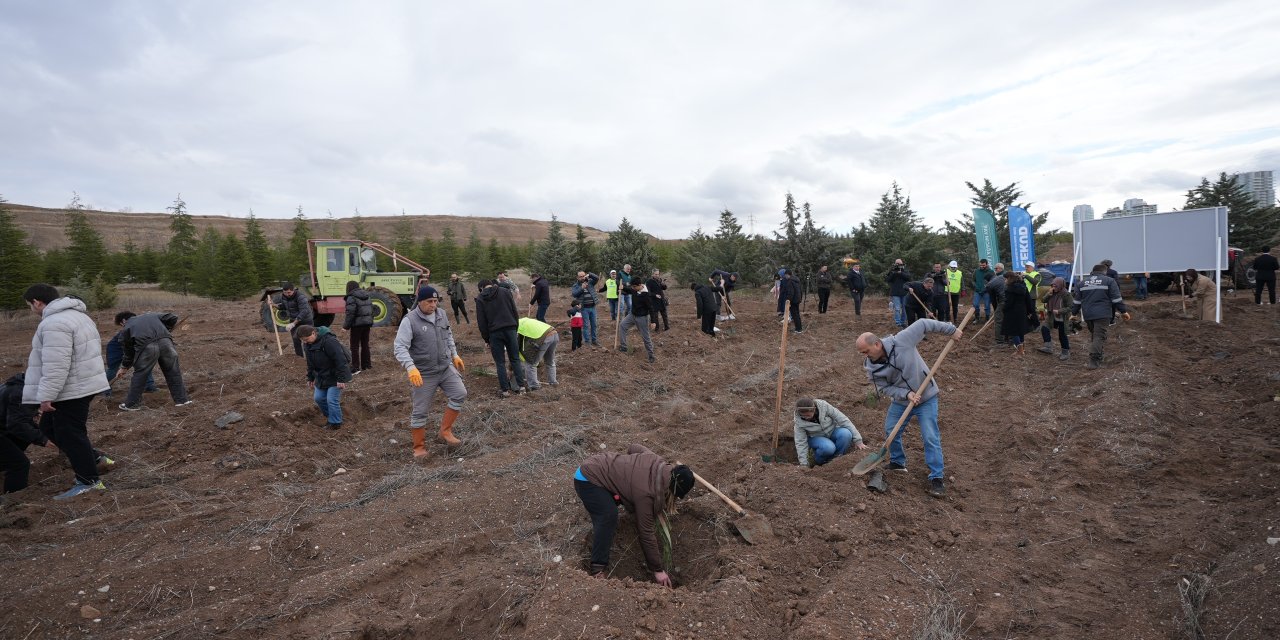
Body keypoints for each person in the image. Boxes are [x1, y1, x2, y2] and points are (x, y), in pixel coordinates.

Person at [21, 284, 111, 500]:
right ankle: (96, 459)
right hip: (80, 384)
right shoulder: (77, 316)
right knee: (49, 428)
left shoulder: (54, 323)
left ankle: (89, 481)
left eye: (29, 306)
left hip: (71, 388)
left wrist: (46, 396)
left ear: (37, 302)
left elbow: (56, 365)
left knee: (70, 434)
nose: (31, 310)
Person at [855, 319, 962, 498]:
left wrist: (951, 330)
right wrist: (906, 394)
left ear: (877, 344)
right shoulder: (871, 368)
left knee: (929, 435)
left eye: (866, 351)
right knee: (891, 430)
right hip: (902, 401)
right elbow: (884, 387)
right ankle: (898, 462)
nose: (864, 355)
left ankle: (937, 478)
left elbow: (923, 324)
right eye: (861, 353)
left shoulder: (902, 341)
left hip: (926, 396)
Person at [574, 444, 695, 585]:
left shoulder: (656, 460)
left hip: (598, 462)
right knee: (608, 516)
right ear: (673, 491)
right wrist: (658, 570)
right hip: (587, 478)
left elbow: (633, 448)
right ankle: (597, 569)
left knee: (618, 498)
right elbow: (646, 533)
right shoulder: (646, 495)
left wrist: (628, 470)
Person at [394, 286, 467, 457]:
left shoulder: (441, 314)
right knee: (420, 411)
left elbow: (448, 336)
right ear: (420, 302)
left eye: (435, 301)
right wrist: (411, 368)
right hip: (424, 373)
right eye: (429, 301)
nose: (433, 305)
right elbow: (399, 347)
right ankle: (418, 447)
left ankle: (445, 432)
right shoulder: (409, 320)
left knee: (460, 393)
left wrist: (455, 355)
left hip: (444, 367)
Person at [116, 311, 192, 411]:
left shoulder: (126, 328)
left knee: (140, 374)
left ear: (124, 321)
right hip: (166, 343)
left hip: (147, 347)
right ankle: (182, 401)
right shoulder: (151, 315)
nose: (122, 326)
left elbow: (128, 351)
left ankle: (131, 404)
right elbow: (173, 317)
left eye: (121, 324)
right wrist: (166, 329)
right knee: (173, 371)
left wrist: (124, 367)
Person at [1, 372, 53, 495]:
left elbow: (18, 419)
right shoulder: (21, 393)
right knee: (19, 464)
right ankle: (12, 501)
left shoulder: (20, 385)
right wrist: (43, 439)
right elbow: (16, 424)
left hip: (4, 428)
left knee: (24, 438)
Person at [1071, 264, 1130, 370]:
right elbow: (1116, 299)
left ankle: (1099, 354)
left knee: (1095, 335)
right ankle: (1094, 360)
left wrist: (1073, 313)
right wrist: (1123, 311)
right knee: (1099, 336)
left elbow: (1077, 301)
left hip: (1088, 314)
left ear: (1093, 271)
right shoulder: (1109, 281)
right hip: (1103, 314)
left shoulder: (1082, 283)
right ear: (1104, 272)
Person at [475, 280, 527, 396]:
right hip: (510, 329)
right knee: (515, 359)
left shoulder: (480, 298)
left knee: (500, 362)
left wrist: (486, 339)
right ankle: (521, 387)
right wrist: (515, 327)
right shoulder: (505, 292)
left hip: (494, 333)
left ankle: (504, 391)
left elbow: (481, 321)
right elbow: (514, 310)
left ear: (481, 288)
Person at [298, 324, 351, 430]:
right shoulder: (307, 344)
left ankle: (336, 423)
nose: (305, 342)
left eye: (307, 339)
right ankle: (331, 417)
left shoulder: (329, 341)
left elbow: (341, 360)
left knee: (331, 399)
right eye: (303, 340)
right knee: (318, 398)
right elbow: (310, 363)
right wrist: (310, 377)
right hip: (321, 376)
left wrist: (341, 379)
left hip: (335, 375)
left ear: (313, 333)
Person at [793, 398, 867, 468]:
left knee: (846, 434)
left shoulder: (824, 406)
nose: (806, 418)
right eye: (803, 416)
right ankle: (818, 462)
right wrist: (804, 465)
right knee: (828, 447)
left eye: (808, 415)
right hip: (815, 437)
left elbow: (843, 419)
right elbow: (800, 442)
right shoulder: (799, 422)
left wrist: (858, 440)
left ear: (814, 410)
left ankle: (836, 459)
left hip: (832, 431)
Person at [104, 311, 155, 398]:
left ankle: (149, 386)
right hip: (115, 349)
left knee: (144, 365)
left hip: (133, 348)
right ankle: (104, 389)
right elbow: (129, 348)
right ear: (123, 322)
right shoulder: (125, 331)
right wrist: (126, 365)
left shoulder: (139, 326)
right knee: (113, 369)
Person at [618, 279, 657, 362]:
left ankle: (651, 355)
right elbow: (629, 290)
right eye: (632, 286)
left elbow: (651, 308)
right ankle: (624, 347)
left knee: (645, 336)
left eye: (634, 287)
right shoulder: (635, 289)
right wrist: (623, 287)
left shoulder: (646, 295)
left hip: (642, 318)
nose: (633, 288)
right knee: (622, 325)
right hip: (632, 315)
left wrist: (653, 321)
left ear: (639, 285)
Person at [1036, 277, 1074, 360]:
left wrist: (1060, 311)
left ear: (1061, 285)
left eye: (1056, 286)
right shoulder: (1051, 292)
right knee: (1044, 328)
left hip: (1062, 318)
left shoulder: (1066, 294)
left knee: (1062, 335)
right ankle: (1048, 347)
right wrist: (1048, 294)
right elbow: (1043, 300)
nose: (1054, 288)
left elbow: (1071, 307)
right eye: (1053, 286)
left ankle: (1065, 352)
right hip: (1052, 316)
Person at [517, 317, 559, 390]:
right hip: (554, 334)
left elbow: (516, 345)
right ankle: (553, 382)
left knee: (531, 363)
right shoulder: (523, 321)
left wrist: (512, 367)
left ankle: (534, 386)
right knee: (550, 361)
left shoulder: (516, 327)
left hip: (544, 337)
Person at [1001, 271, 1036, 355]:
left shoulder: (1010, 289)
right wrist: (1030, 311)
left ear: (1009, 278)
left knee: (1013, 331)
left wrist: (1004, 308)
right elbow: (1028, 299)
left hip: (1012, 312)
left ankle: (1019, 350)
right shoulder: (1023, 286)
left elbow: (1009, 303)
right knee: (1020, 330)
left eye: (1005, 279)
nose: (1004, 281)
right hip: (1022, 311)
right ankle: (1022, 349)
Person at [343, 281, 374, 374]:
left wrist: (346, 326)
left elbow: (350, 313)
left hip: (357, 325)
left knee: (354, 346)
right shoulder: (367, 295)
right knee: (365, 344)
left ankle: (355, 367)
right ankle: (367, 365)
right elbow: (372, 309)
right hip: (367, 324)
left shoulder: (351, 297)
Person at [278, 282, 314, 357]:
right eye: (285, 292)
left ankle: (311, 357)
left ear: (293, 290)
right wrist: (273, 305)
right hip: (293, 320)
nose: (287, 294)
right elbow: (283, 306)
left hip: (305, 320)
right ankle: (300, 358)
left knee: (307, 339)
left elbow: (304, 311)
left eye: (289, 292)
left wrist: (293, 324)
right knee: (295, 339)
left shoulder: (300, 297)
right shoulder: (284, 296)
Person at [572, 271, 600, 345]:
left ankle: (594, 340)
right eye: (580, 276)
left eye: (583, 276)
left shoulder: (590, 282)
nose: (582, 277)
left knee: (594, 324)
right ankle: (587, 342)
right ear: (577, 277)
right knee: (586, 325)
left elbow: (597, 278)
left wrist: (590, 274)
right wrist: (581, 288)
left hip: (593, 307)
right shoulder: (576, 285)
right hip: (584, 309)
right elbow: (574, 294)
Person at [985, 263, 1008, 345]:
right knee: (1009, 319)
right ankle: (1011, 339)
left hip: (1003, 301)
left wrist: (996, 310)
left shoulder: (992, 283)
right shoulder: (1005, 277)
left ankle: (1000, 341)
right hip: (1012, 301)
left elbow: (993, 299)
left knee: (998, 321)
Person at [885, 259, 911, 328]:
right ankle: (898, 322)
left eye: (899, 264)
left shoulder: (905, 270)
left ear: (902, 264)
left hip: (904, 292)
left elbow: (909, 278)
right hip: (895, 292)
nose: (898, 265)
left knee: (904, 308)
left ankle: (903, 322)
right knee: (897, 308)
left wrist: (901, 273)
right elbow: (887, 279)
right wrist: (894, 273)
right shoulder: (892, 271)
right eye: (897, 264)